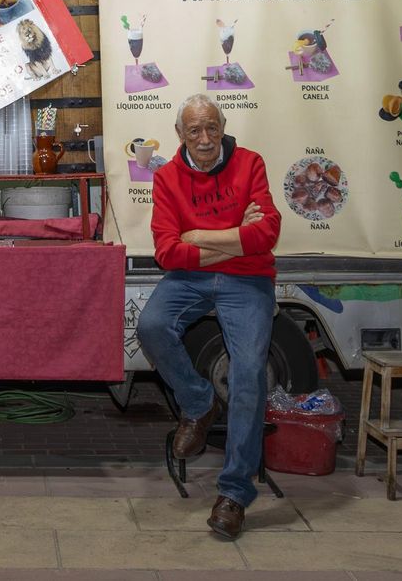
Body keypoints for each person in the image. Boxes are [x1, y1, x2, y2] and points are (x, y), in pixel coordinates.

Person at [137, 92, 281, 539]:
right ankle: (199, 403)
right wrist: (236, 236)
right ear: (179, 134)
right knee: (152, 326)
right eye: (194, 130)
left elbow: (269, 232)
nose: (205, 138)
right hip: (191, 279)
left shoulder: (251, 162)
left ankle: (235, 492)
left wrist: (199, 235)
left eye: (212, 127)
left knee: (249, 375)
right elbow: (167, 250)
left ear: (222, 127)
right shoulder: (166, 177)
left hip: (249, 281)